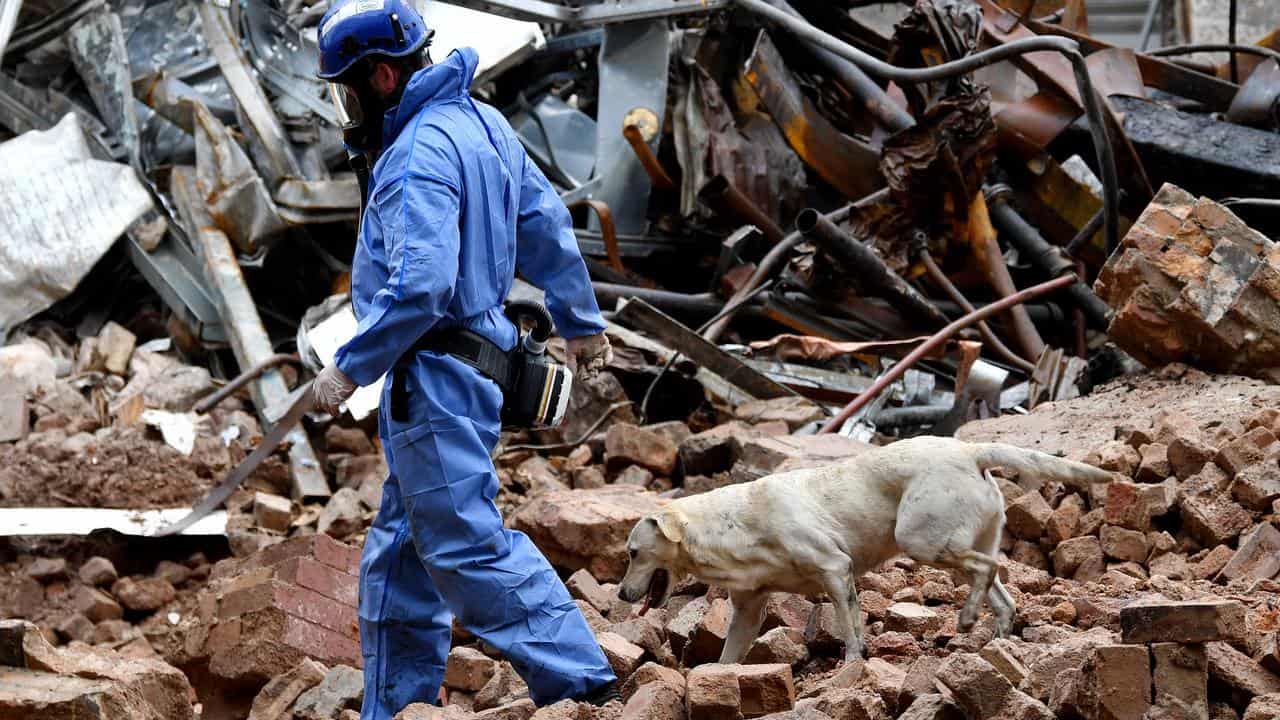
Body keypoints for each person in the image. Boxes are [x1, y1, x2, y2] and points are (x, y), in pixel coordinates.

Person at [311, 2, 618, 717]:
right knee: (400, 552)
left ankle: (587, 685)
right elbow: (546, 226)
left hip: (437, 380)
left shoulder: (416, 154)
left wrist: (351, 365)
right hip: (477, 367)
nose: (346, 108)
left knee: (465, 548)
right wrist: (580, 320)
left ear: (382, 77)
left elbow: (421, 286)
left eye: (348, 91)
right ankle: (395, 705)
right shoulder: (482, 124)